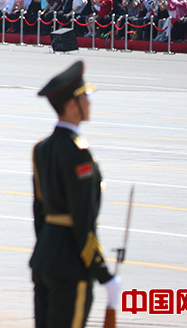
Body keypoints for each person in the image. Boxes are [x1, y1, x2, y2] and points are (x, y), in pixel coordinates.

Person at [30, 61, 121, 328]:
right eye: (85, 98)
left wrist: (48, 248)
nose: (89, 104)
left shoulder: (42, 149)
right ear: (72, 105)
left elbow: (39, 213)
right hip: (70, 264)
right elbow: (83, 219)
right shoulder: (77, 152)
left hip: (44, 259)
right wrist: (103, 273)